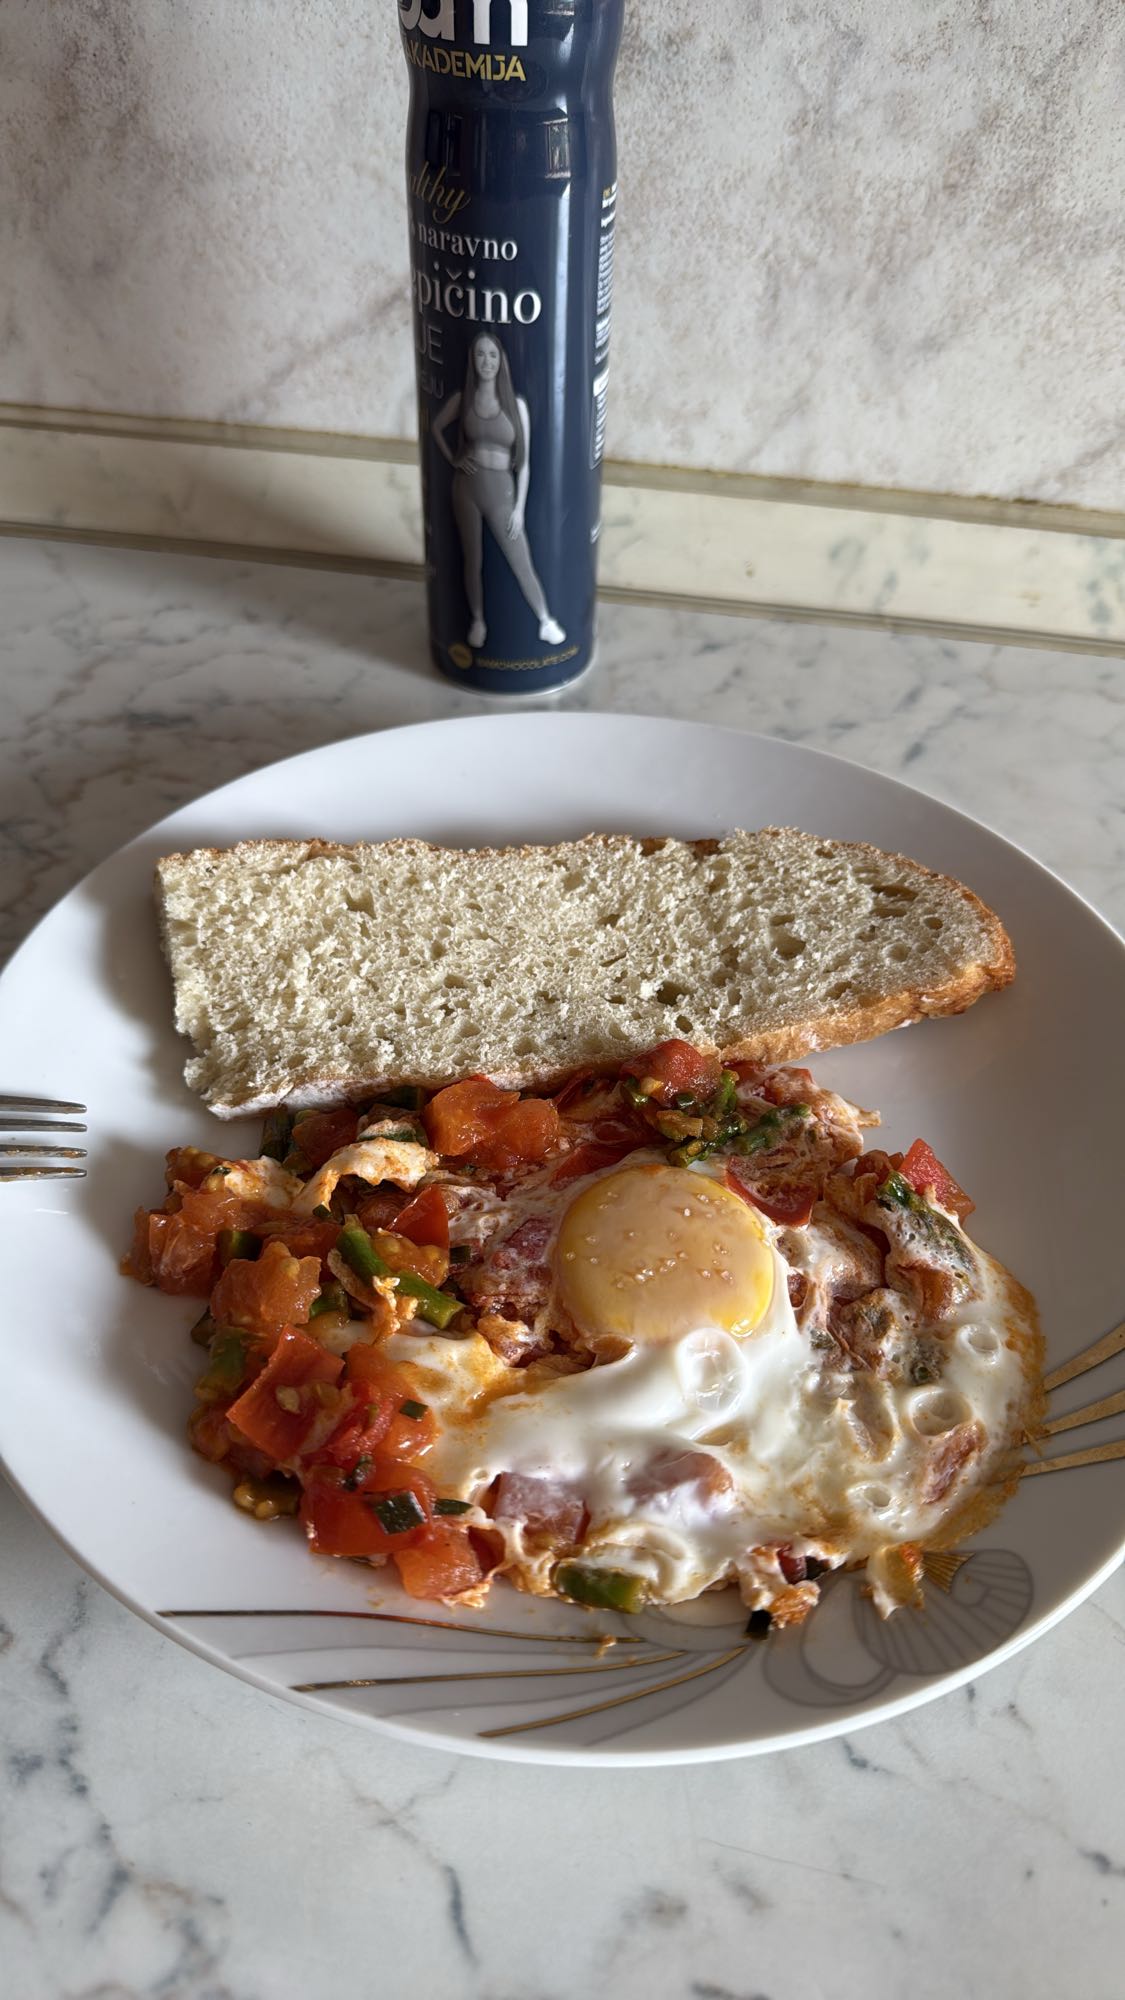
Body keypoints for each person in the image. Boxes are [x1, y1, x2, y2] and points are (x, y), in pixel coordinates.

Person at [431, 333, 565, 651]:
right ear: (473, 361)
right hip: (466, 489)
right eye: (480, 354)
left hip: (502, 492)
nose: (486, 361)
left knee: (521, 559)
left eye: (492, 354)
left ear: (501, 359)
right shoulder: (463, 398)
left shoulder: (516, 405)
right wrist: (454, 459)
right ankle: (478, 620)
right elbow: (436, 427)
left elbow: (526, 464)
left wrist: (519, 509)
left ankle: (546, 621)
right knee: (471, 559)